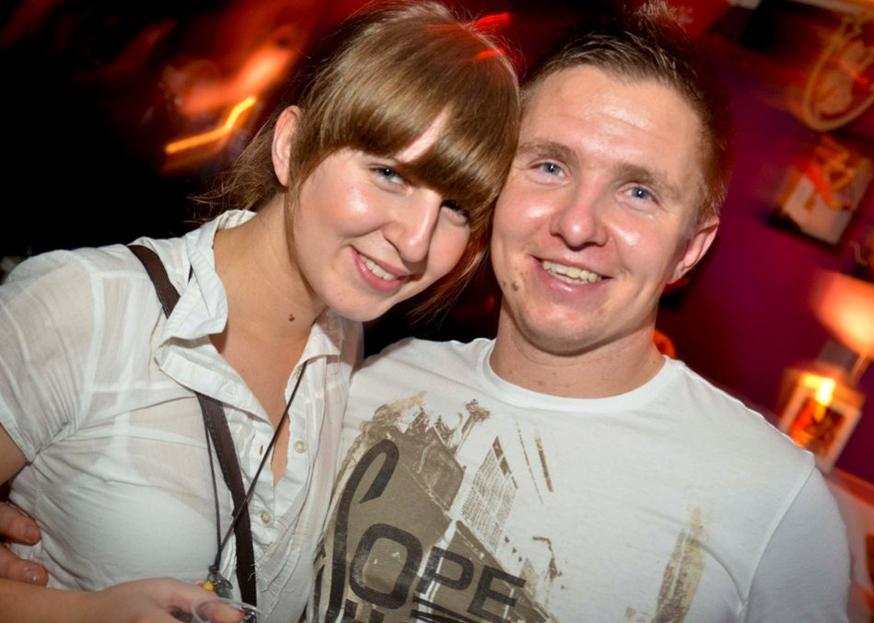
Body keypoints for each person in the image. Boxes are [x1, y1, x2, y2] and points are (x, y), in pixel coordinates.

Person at [307, 5, 851, 622]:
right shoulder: (370, 383)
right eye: (550, 166)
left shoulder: (773, 505)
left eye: (638, 191)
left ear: (690, 250)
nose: (576, 224)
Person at [0, 1, 519, 621]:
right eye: (389, 173)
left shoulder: (345, 356)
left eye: (455, 207)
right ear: (292, 146)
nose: (414, 241)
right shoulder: (85, 304)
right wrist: (79, 615)